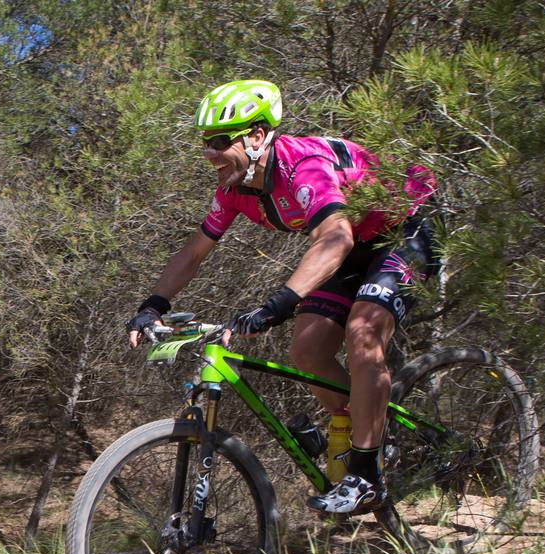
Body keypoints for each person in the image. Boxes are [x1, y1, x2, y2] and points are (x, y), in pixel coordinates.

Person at [128, 79, 438, 515]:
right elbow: (195, 251)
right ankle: (372, 434)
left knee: (364, 333)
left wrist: (276, 305)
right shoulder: (234, 188)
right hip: (355, 242)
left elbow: (335, 236)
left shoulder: (302, 166)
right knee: (308, 351)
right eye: (205, 142)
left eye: (220, 140)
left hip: (404, 228)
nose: (210, 153)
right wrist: (152, 305)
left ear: (257, 135)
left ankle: (367, 474)